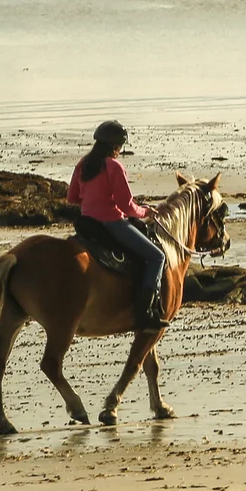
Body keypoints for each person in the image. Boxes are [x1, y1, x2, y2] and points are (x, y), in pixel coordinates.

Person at [68, 120, 167, 332]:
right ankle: (145, 313)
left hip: (87, 224)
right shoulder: (113, 166)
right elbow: (126, 206)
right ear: (116, 146)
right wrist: (145, 211)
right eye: (120, 147)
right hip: (111, 223)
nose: (120, 151)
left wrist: (91, 203)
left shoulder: (83, 164)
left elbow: (72, 197)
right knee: (157, 257)